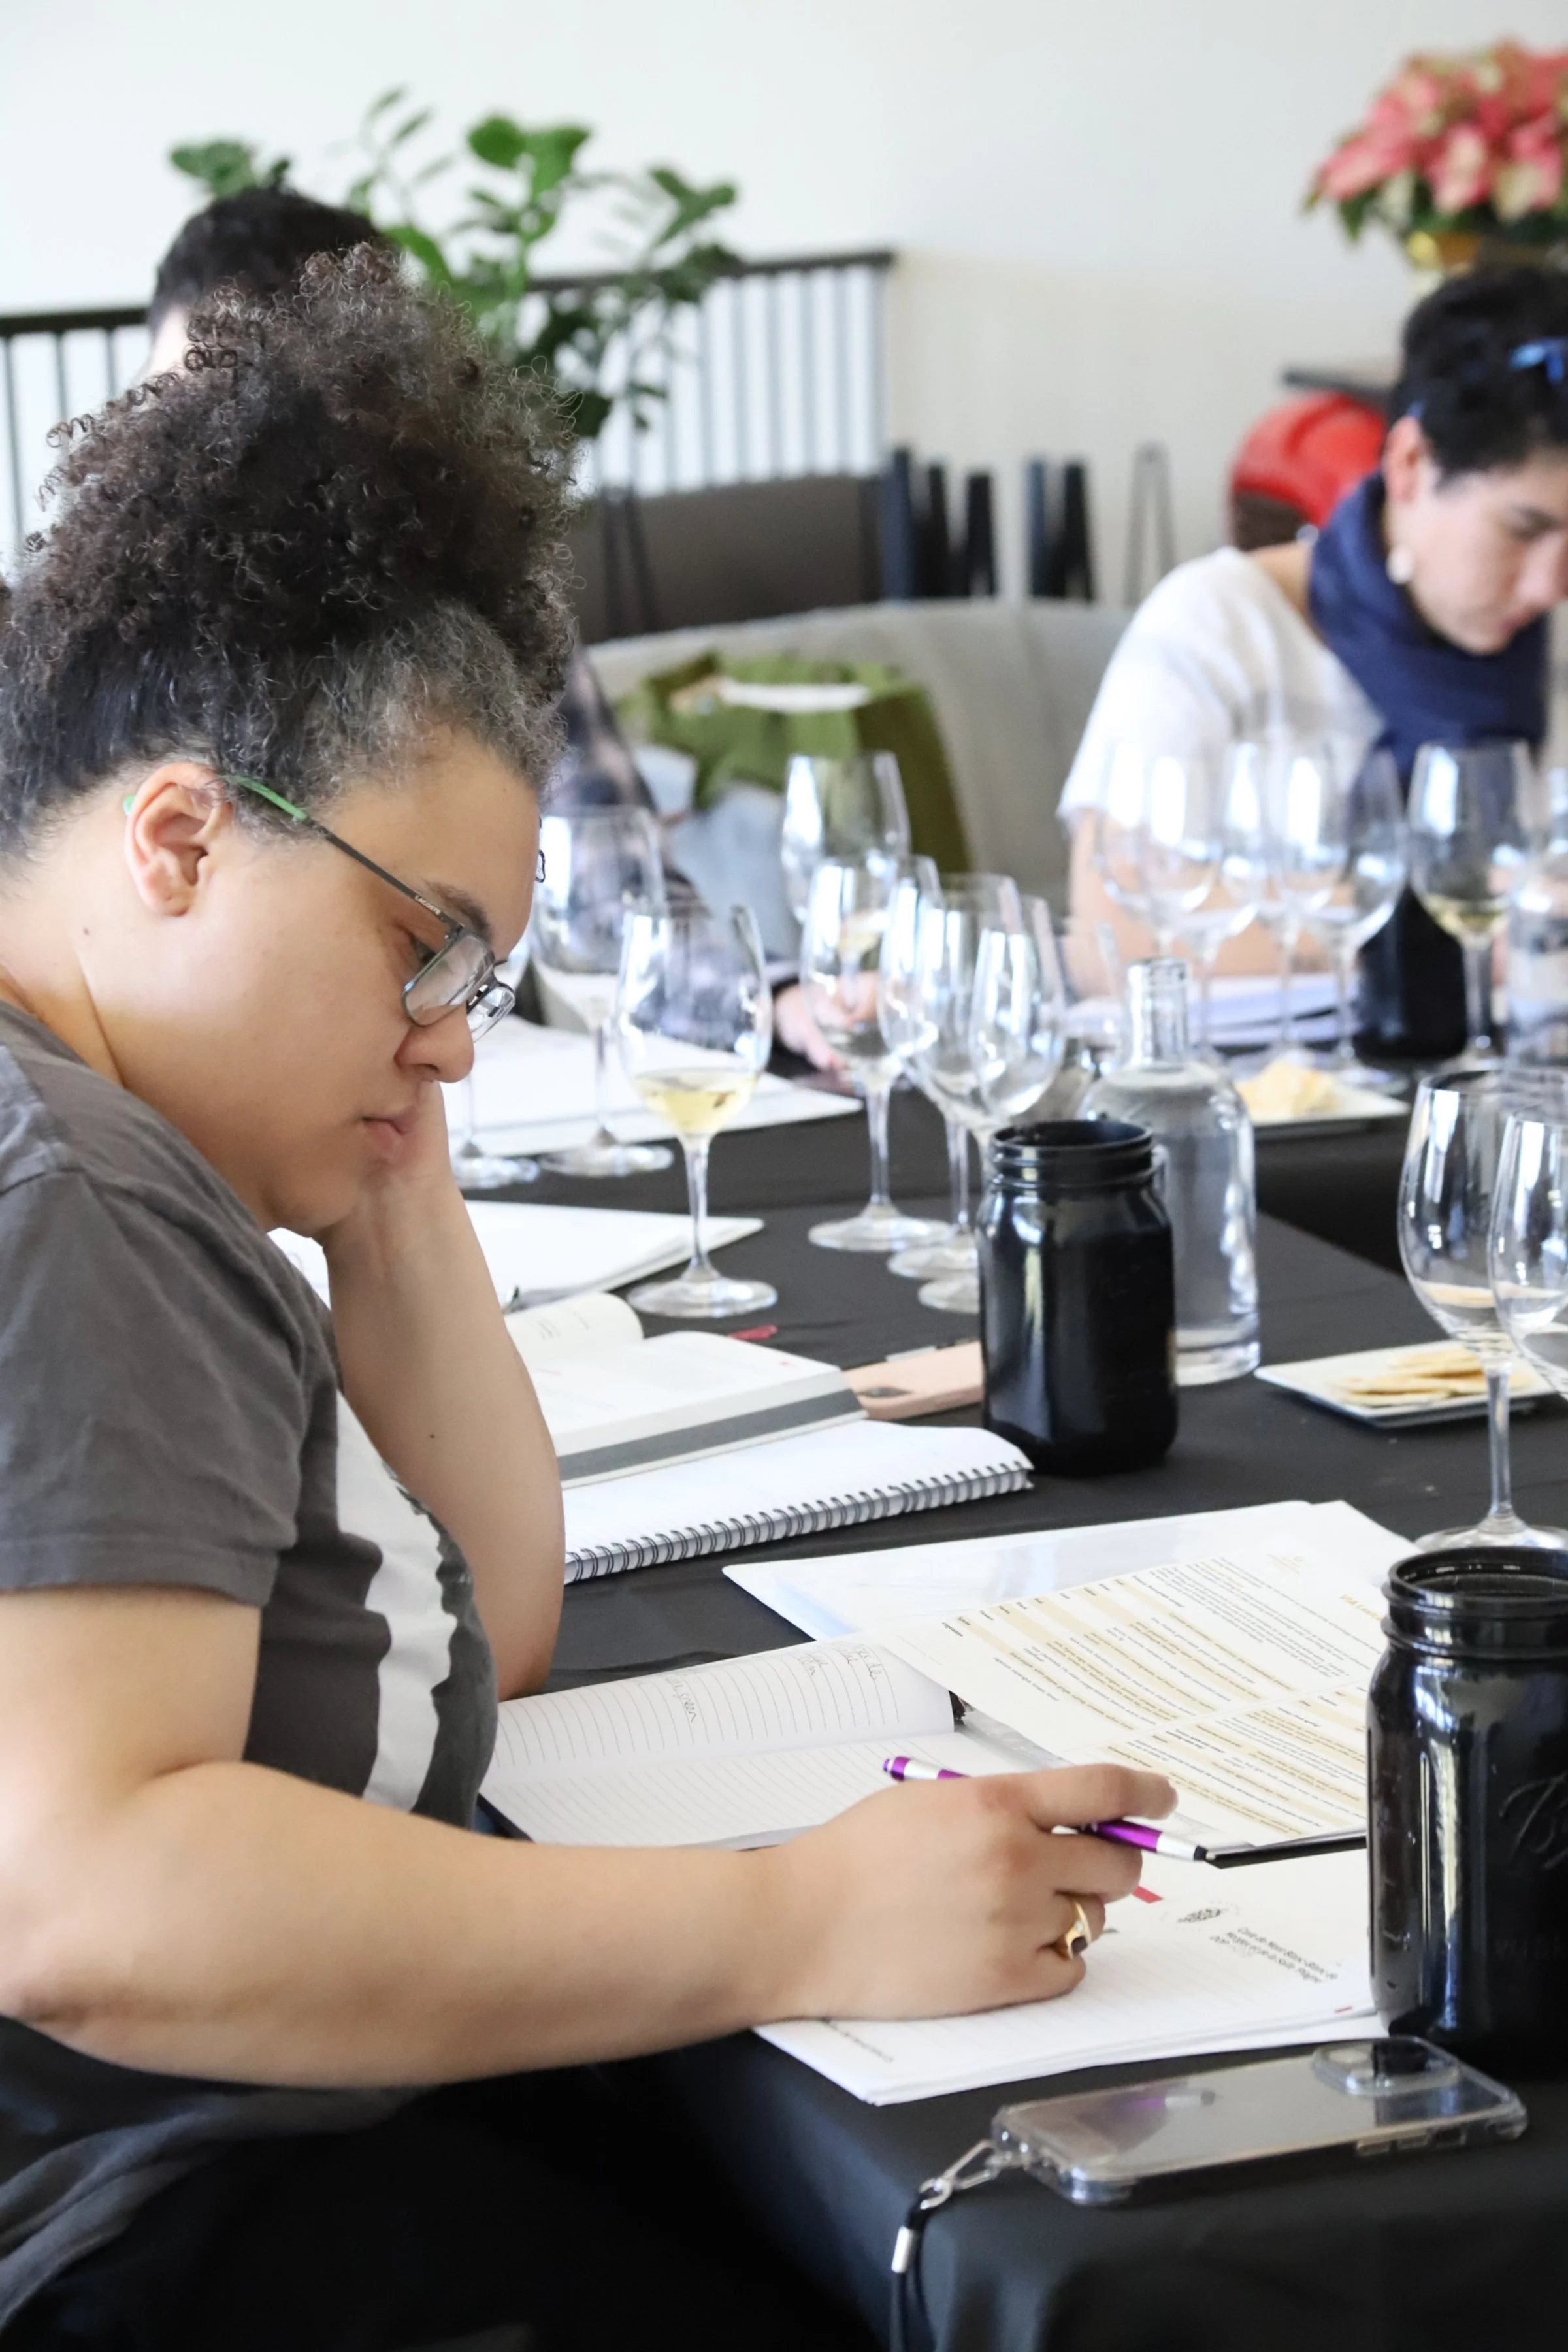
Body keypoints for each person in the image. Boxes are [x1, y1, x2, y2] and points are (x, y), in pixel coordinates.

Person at [0, 253, 1168, 2349]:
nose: (454, 1032)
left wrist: (383, 1161)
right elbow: (90, 1901)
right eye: (424, 943)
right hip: (152, 2234)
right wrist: (787, 1919)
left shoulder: (116, 1134)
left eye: (477, 977)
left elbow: (479, 1623)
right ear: (178, 841)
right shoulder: (75, 1188)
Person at [149, 182, 832, 1066]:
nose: (176, 449)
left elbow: (605, 877)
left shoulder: (479, 602)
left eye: (228, 411)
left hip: (426, 1086)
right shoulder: (104, 633)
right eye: (164, 400)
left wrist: (769, 1000)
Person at [1062, 267, 1568, 1059]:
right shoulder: (1220, 624)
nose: (1550, 585)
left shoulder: (1553, 653)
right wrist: (1422, 932)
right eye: (1522, 529)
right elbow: (1110, 934)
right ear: (1409, 465)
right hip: (1283, 1124)